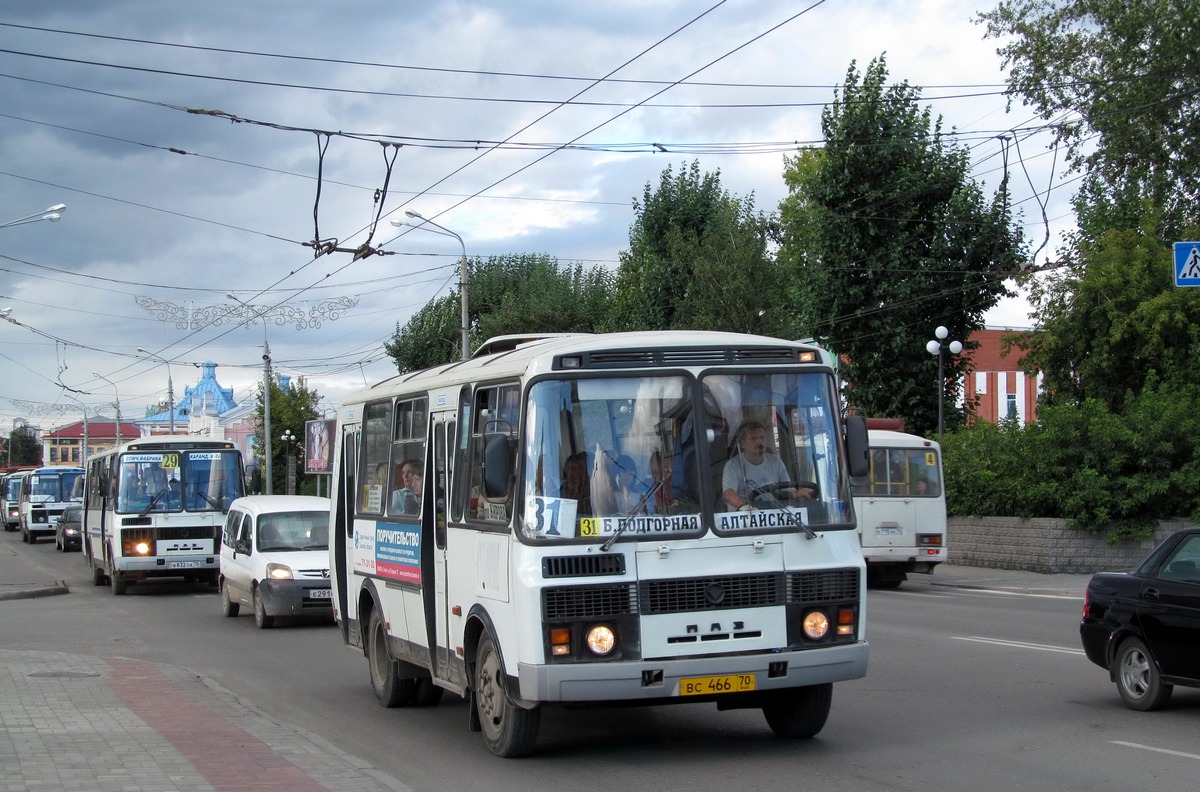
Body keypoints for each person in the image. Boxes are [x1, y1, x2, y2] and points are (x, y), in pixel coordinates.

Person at [722, 421, 813, 511]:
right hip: (746, 519)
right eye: (753, 439)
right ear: (742, 444)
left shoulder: (775, 461)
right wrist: (744, 507)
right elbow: (728, 494)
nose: (759, 441)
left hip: (774, 515)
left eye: (762, 437)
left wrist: (798, 494)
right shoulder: (733, 466)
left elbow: (787, 491)